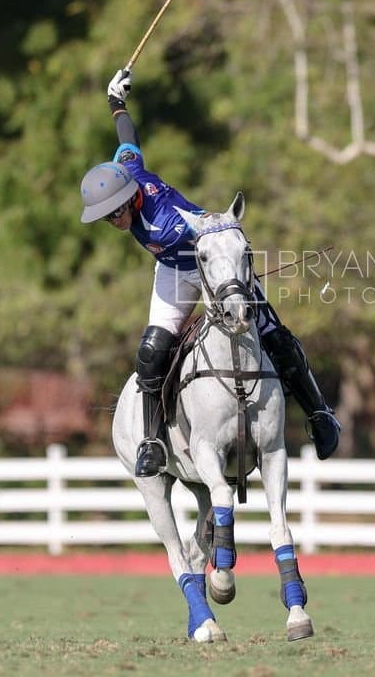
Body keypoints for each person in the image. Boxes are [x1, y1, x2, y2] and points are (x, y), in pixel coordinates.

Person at [80, 68, 340, 477]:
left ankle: (320, 414)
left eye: (112, 213)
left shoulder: (166, 221)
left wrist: (232, 272)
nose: (111, 221)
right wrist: (117, 103)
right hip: (173, 270)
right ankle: (151, 439)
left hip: (211, 263)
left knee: (276, 337)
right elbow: (129, 141)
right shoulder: (128, 170)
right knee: (151, 351)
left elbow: (215, 226)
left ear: (129, 200)